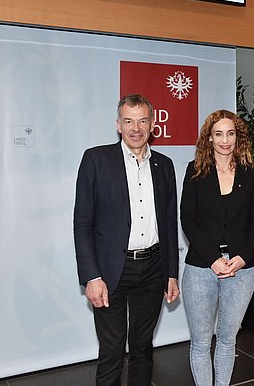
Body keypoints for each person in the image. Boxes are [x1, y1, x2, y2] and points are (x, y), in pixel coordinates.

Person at [73, 94, 180, 386]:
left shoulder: (164, 165)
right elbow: (82, 224)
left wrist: (171, 273)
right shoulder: (96, 160)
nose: (136, 128)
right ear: (118, 125)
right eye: (129, 121)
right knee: (112, 351)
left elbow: (170, 223)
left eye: (142, 120)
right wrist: (91, 276)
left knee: (144, 349)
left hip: (153, 269)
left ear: (153, 124)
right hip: (109, 272)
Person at [180, 110, 254, 386]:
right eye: (218, 134)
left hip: (241, 269)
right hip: (201, 268)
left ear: (238, 137)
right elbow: (188, 220)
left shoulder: (251, 173)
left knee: (228, 341)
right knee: (202, 342)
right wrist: (214, 259)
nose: (225, 140)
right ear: (209, 138)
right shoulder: (194, 171)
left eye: (230, 133)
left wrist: (242, 258)